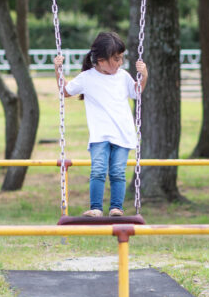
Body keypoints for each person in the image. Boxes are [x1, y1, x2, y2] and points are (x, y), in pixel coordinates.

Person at [53, 32, 148, 217]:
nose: (120, 62)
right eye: (117, 58)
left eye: (121, 58)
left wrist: (144, 75)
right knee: (97, 170)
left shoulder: (123, 76)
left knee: (118, 172)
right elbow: (65, 91)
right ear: (102, 61)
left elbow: (137, 91)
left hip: (123, 134)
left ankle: (116, 208)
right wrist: (58, 70)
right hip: (100, 135)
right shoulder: (87, 77)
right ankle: (96, 208)